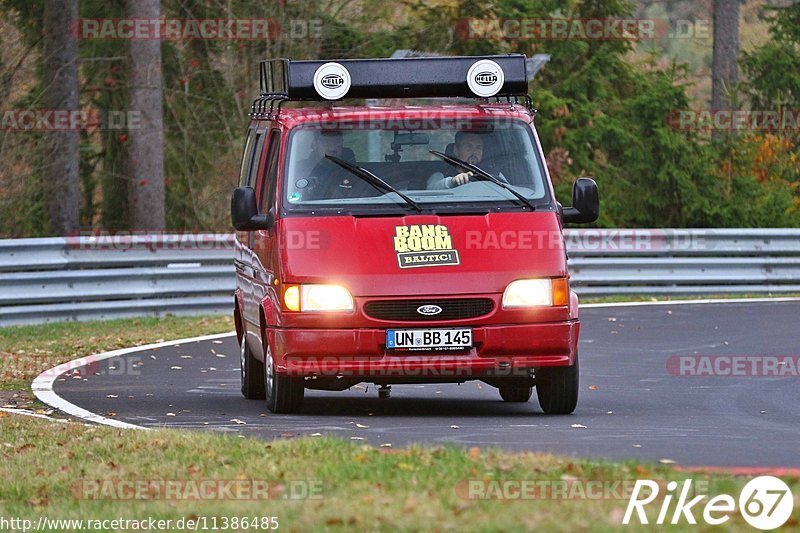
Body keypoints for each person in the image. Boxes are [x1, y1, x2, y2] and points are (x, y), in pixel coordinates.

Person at [295, 130, 357, 200]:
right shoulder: (300, 169)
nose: (332, 148)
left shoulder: (356, 172)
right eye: (326, 142)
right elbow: (293, 200)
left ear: (342, 143)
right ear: (315, 144)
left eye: (337, 142)